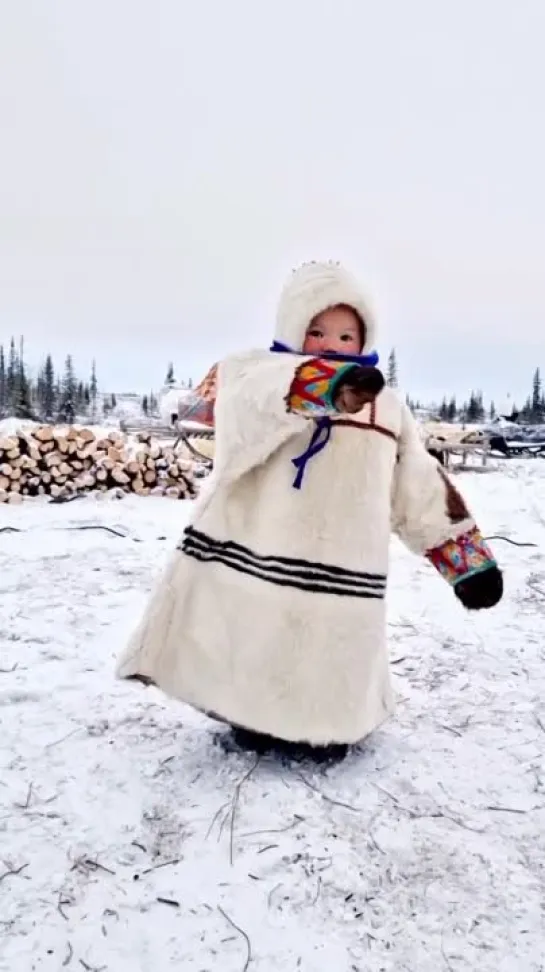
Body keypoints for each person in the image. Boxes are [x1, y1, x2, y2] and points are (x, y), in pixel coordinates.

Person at [116, 260, 503, 764]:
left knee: (332, 647)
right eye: (316, 331)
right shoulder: (256, 378)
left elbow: (420, 486)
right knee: (258, 638)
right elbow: (250, 410)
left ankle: (331, 728)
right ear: (292, 329)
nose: (331, 344)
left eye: (346, 335)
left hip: (345, 564)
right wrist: (327, 389)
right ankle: (250, 717)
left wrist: (465, 559)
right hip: (262, 551)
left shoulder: (386, 407)